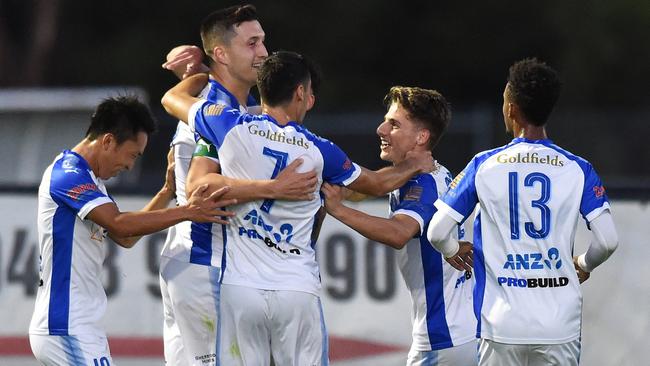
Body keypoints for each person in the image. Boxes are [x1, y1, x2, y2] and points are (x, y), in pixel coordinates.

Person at [162, 51, 436, 366]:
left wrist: (200, 74)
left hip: (239, 289)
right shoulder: (319, 151)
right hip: (295, 289)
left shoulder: (226, 123)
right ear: (301, 94)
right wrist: (412, 165)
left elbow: (172, 99)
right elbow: (375, 184)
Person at [427, 58, 619, 366]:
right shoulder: (578, 168)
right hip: (559, 325)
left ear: (512, 109)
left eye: (504, 99)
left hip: (501, 323)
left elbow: (437, 231)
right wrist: (583, 263)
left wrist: (451, 249)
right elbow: (607, 241)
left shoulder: (483, 165)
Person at [158, 5, 317, 366]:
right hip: (207, 261)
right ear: (221, 54)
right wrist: (273, 188)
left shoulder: (235, 107)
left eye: (263, 41)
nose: (263, 52)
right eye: (252, 43)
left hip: (190, 260)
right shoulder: (215, 109)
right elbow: (202, 188)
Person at [28, 96, 235, 365]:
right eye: (132, 155)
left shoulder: (89, 179)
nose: (130, 166)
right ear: (108, 141)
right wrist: (188, 211)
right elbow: (119, 223)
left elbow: (125, 236)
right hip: (65, 327)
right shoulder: (69, 174)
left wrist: (167, 192)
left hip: (78, 326)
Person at [321, 86, 477, 366]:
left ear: (421, 137)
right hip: (461, 333)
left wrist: (337, 209)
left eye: (394, 124)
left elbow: (398, 233)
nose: (381, 129)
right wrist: (346, 191)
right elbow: (376, 185)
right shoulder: (418, 175)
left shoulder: (423, 183)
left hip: (443, 338)